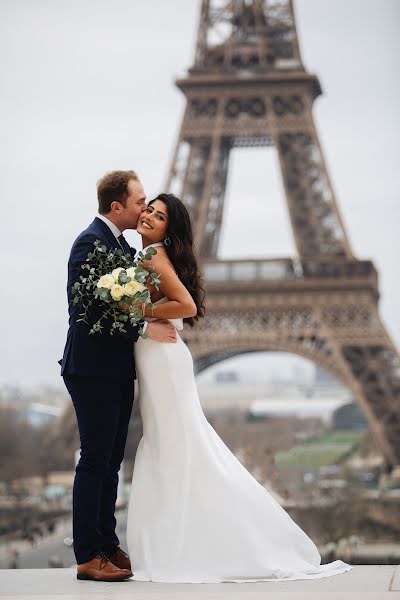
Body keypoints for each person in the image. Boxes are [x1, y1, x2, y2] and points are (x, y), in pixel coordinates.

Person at [126, 193, 352, 583]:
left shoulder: (151, 257)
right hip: (161, 357)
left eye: (159, 216)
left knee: (174, 448)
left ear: (169, 228)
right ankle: (193, 541)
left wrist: (139, 312)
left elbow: (186, 306)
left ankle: (180, 545)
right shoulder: (148, 256)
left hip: (162, 359)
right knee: (177, 446)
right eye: (149, 209)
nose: (148, 216)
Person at [59, 171, 177, 582]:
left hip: (113, 368)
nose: (144, 208)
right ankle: (88, 554)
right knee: (94, 460)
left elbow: (135, 300)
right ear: (116, 207)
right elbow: (86, 311)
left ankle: (106, 544)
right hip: (92, 369)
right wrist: (145, 328)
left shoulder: (120, 246)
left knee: (109, 461)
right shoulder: (89, 244)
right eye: (139, 200)